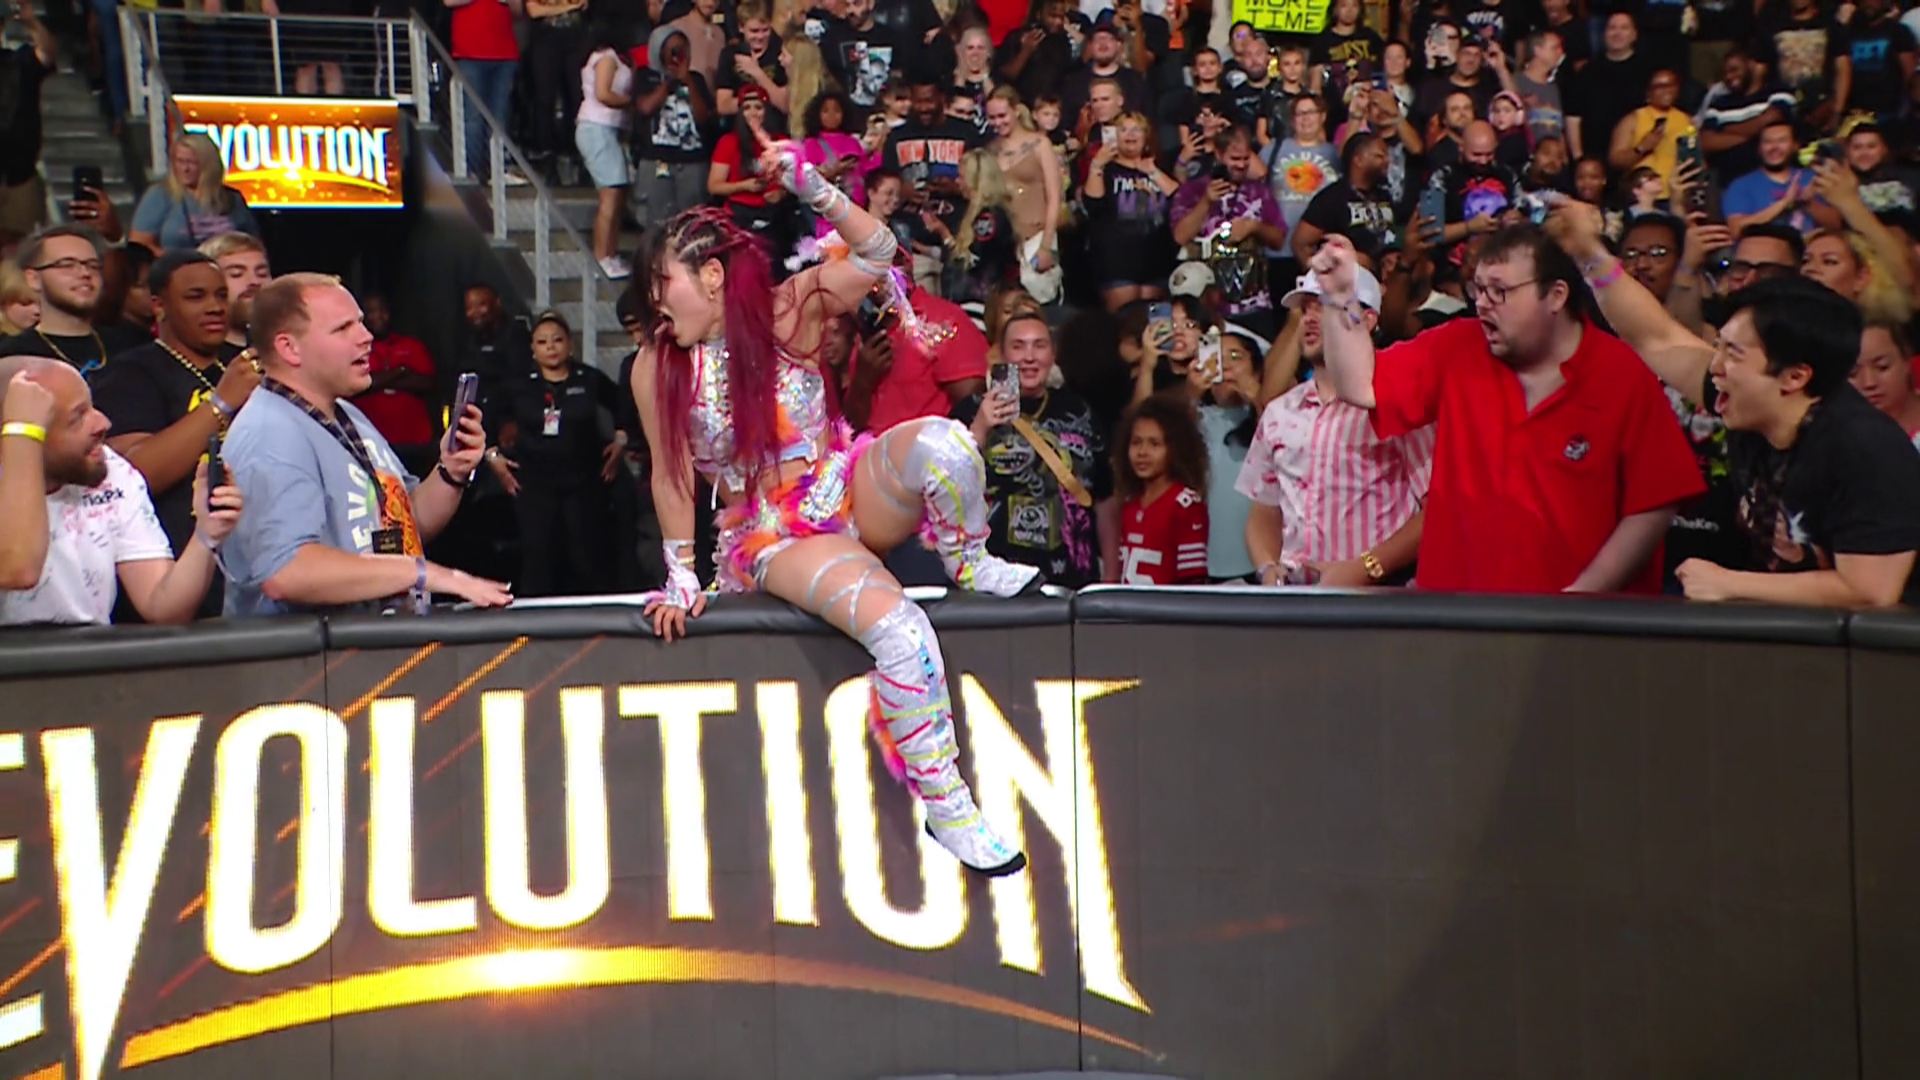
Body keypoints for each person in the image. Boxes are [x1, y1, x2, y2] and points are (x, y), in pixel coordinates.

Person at [629, 129, 1034, 876]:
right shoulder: (657, 364)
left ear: (712, 277)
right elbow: (671, 475)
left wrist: (812, 186)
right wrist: (682, 574)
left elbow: (880, 252)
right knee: (903, 632)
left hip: (845, 485)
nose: (655, 300)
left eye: (664, 282)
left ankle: (970, 560)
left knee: (948, 445)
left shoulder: (791, 307)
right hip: (776, 534)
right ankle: (948, 806)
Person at [1550, 198, 1920, 606]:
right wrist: (1588, 253)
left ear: (1794, 377)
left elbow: (1870, 591)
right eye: (1721, 347)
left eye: (1735, 354)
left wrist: (1731, 584)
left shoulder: (1863, 449)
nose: (1716, 366)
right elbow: (1656, 338)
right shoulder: (1753, 403)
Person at [1315, 227, 1706, 594]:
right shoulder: (1458, 346)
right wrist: (1337, 300)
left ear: (1556, 296)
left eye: (1500, 291)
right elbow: (1360, 386)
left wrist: (1585, 594)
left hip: (1579, 629)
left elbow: (1654, 503)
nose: (1483, 303)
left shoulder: (1621, 374)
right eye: (1479, 289)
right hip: (1456, 619)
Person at [219, 273, 513, 616]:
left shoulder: (346, 414)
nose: (366, 336)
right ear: (289, 348)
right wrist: (425, 574)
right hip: (308, 649)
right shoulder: (270, 434)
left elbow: (406, 522)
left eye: (359, 322)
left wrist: (452, 470)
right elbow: (287, 571)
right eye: (343, 328)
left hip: (373, 641)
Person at [0, 358, 242, 626]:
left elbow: (161, 606)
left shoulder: (110, 470)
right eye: (77, 418)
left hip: (85, 650)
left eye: (92, 407)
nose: (103, 423)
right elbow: (18, 569)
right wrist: (23, 432)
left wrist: (205, 535)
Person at [89, 251, 260, 619]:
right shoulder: (131, 372)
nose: (215, 306)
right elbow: (136, 473)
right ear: (159, 305)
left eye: (220, 295)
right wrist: (221, 404)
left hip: (252, 573)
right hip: (174, 579)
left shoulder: (241, 367)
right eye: (196, 296)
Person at [1239, 267, 1433, 587]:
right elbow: (1263, 511)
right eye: (1306, 309)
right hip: (1294, 597)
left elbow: (1435, 509)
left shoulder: (1398, 402)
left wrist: (1364, 569)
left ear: (1367, 320)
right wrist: (1267, 568)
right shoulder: (1279, 412)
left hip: (1377, 595)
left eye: (1324, 306)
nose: (1310, 319)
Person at [484, 310, 623, 597]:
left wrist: (621, 440)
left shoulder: (589, 379)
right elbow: (485, 415)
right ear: (533, 349)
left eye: (557, 340)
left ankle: (595, 612)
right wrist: (493, 457)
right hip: (533, 483)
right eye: (542, 342)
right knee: (539, 554)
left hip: (583, 480)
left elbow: (625, 404)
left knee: (587, 553)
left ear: (569, 345)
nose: (551, 347)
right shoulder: (519, 385)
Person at [0, 226, 147, 374]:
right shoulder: (13, 356)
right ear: (33, 279)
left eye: (93, 265)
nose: (85, 273)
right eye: (67, 265)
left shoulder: (132, 347)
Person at [1114, 393, 1209, 586]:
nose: (1142, 452)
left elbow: (1192, 583)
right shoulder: (1129, 503)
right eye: (1136, 442)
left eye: (1154, 444)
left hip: (1167, 605)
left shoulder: (1186, 506)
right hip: (1127, 604)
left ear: (1174, 449)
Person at [128, 133, 261, 255]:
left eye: (191, 163)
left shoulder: (232, 199)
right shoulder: (160, 195)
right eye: (180, 161)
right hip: (179, 269)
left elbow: (254, 244)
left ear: (209, 165)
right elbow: (139, 244)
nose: (185, 169)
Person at [576, 26, 636, 279]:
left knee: (618, 195)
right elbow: (603, 93)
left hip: (610, 130)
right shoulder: (606, 58)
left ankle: (610, 254)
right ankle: (601, 258)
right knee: (609, 197)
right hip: (597, 128)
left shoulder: (615, 58)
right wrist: (633, 102)